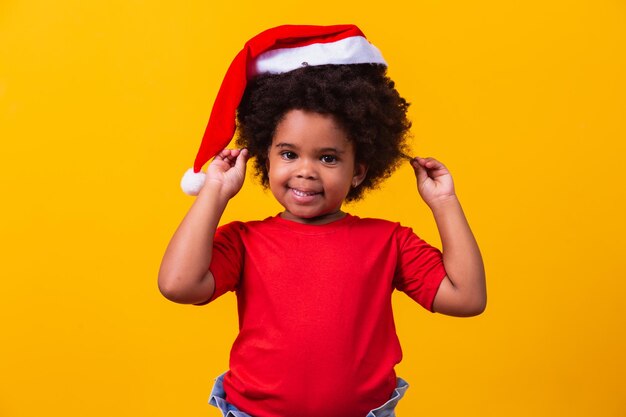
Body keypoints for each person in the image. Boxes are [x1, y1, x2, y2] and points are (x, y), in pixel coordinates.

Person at [158, 24, 486, 417]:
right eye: (289, 154)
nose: (306, 171)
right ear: (265, 157)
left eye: (328, 158)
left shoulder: (388, 241)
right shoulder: (246, 241)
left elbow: (466, 298)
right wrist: (214, 191)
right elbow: (178, 285)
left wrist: (444, 202)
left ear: (359, 170)